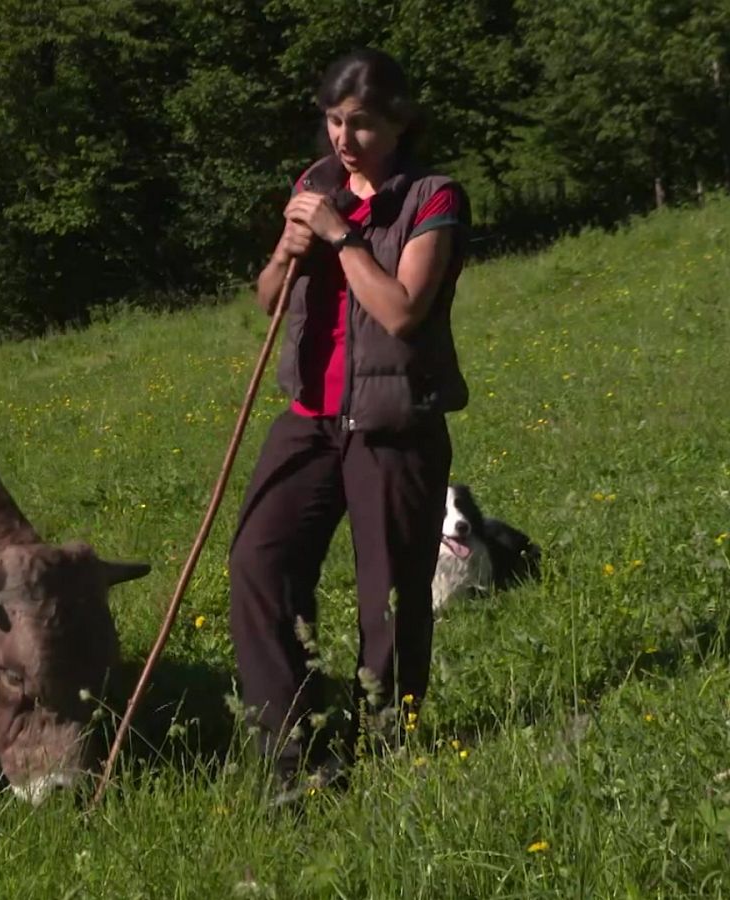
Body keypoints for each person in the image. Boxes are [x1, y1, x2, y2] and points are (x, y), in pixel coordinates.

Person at [226, 46, 470, 796]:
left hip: (394, 425)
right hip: (310, 418)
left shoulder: (432, 199)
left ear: (400, 123)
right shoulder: (313, 186)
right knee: (257, 565)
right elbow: (270, 298)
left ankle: (386, 753)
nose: (343, 139)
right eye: (334, 121)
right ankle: (292, 751)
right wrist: (289, 250)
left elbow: (400, 311)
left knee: (388, 599)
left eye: (361, 124)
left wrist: (341, 237)